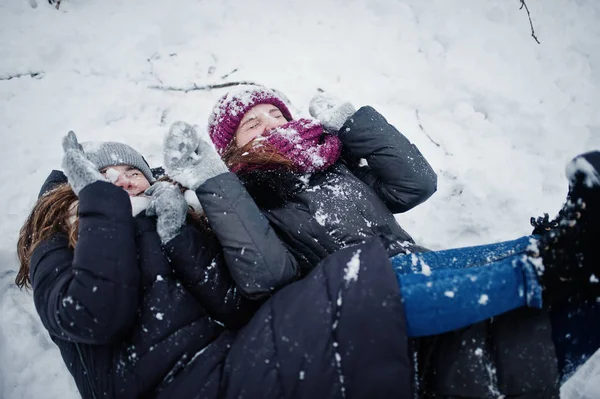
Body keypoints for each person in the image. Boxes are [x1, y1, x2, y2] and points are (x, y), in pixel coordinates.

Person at [185, 84, 600, 397]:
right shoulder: (248, 202)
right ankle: (551, 254)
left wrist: (354, 124)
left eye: (274, 113)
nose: (270, 124)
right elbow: (270, 273)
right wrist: (219, 187)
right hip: (358, 301)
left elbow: (416, 184)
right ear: (230, 149)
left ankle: (561, 245)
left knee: (514, 332)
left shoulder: (335, 165)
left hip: (419, 273)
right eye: (251, 124)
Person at [16, 133, 420, 398]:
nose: (121, 180)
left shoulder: (171, 219)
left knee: (350, 289)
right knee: (351, 287)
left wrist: (178, 236)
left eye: (131, 171)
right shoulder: (53, 243)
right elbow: (92, 317)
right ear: (79, 186)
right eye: (103, 175)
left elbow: (235, 305)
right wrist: (99, 206)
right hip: (165, 387)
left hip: (235, 360)